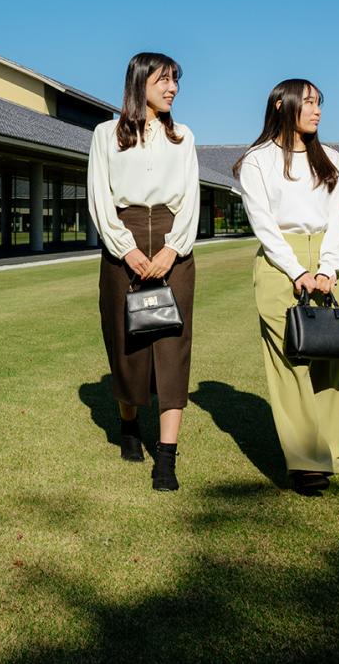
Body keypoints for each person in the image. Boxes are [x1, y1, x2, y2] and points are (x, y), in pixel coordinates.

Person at [87, 52, 202, 491]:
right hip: (124, 241)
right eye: (164, 80)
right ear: (140, 83)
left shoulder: (184, 137)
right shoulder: (105, 135)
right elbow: (100, 196)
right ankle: (130, 426)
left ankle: (167, 459)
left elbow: (190, 198)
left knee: (172, 347)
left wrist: (172, 250)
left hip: (175, 243)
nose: (172, 88)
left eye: (176, 81)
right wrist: (127, 250)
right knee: (127, 346)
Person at [234, 78, 339, 495]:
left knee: (331, 358)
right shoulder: (258, 160)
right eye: (310, 103)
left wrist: (329, 268)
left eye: (320, 103)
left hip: (326, 259)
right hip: (279, 263)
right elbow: (262, 223)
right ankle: (306, 462)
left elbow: (337, 219)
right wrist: (297, 270)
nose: (318, 111)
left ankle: (331, 453)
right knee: (292, 361)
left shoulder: (331, 159)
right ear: (283, 105)